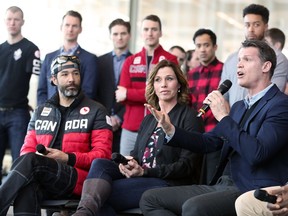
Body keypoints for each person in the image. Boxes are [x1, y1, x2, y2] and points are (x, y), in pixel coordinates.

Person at [139, 40, 288, 216]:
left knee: (194, 207)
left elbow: (257, 153)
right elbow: (208, 142)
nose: (238, 64)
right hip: (222, 184)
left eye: (246, 59)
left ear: (266, 66)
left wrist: (223, 117)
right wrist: (170, 129)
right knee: (150, 199)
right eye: (239, 59)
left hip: (250, 188)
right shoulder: (239, 106)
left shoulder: (280, 105)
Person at [72, 60, 204, 215]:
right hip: (142, 177)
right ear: (153, 87)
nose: (163, 84)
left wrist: (145, 172)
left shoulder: (190, 117)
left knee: (102, 195)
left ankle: (82, 213)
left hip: (169, 183)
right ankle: (83, 212)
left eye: (169, 79)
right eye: (158, 80)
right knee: (100, 165)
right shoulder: (149, 119)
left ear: (179, 84)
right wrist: (128, 163)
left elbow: (187, 166)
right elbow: (137, 155)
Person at [0, 55, 112, 215]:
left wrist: (67, 158)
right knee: (27, 185)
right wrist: (40, 158)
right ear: (53, 79)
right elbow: (27, 151)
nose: (72, 79)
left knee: (33, 162)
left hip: (79, 180)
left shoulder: (97, 110)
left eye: (76, 73)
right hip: (43, 176)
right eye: (65, 74)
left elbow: (103, 157)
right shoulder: (40, 111)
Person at [115, 14, 178, 156]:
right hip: (130, 129)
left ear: (160, 32)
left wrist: (130, 93)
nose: (150, 33)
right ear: (141, 32)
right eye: (146, 29)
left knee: (153, 170)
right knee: (126, 168)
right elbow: (120, 96)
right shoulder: (130, 61)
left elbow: (167, 93)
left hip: (159, 127)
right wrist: (152, 94)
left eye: (154, 29)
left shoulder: (170, 59)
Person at [0, 6, 41, 183]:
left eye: (16, 19)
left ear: (22, 22)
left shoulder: (31, 49)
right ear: (4, 21)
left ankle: (18, 204)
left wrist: (35, 105)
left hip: (18, 112)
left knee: (19, 161)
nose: (12, 23)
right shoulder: (0, 49)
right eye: (9, 19)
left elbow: (37, 81)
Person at [220, 3, 288, 107]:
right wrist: (231, 119)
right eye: (247, 25)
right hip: (232, 118)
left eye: (256, 25)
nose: (251, 29)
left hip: (262, 118)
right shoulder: (231, 59)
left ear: (266, 27)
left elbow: (273, 95)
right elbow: (224, 96)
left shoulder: (278, 58)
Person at [37, 10, 99, 105]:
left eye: (74, 26)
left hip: (76, 114)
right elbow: (42, 91)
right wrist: (44, 111)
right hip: (50, 114)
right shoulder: (49, 58)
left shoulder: (90, 59)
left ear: (80, 29)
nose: (70, 29)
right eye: (67, 25)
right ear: (61, 27)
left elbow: (88, 92)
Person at [187, 28, 223, 184]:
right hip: (195, 134)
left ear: (215, 47)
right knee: (193, 177)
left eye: (206, 45)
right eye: (198, 45)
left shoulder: (225, 70)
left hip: (216, 134)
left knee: (210, 180)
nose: (202, 49)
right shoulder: (190, 74)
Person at [96, 18, 132, 153]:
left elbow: (135, 92)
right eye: (115, 34)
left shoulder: (135, 62)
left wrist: (118, 117)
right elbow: (96, 92)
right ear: (110, 35)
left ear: (129, 35)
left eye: (123, 33)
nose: (119, 37)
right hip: (101, 121)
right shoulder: (99, 61)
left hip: (126, 122)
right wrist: (105, 117)